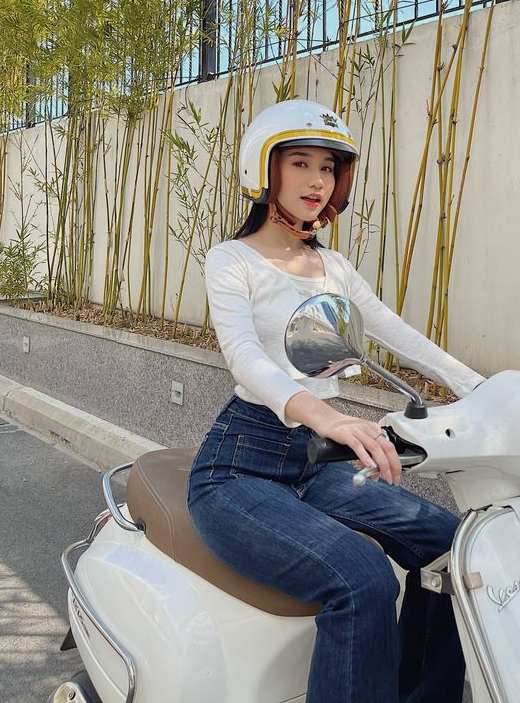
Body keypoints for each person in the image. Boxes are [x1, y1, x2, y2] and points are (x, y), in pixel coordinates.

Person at [187, 98, 485, 703]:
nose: (317, 181)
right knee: (362, 576)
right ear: (264, 171)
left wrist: (479, 387)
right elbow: (245, 357)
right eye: (300, 163)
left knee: (455, 545)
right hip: (240, 467)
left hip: (319, 463)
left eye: (328, 168)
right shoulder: (232, 260)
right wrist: (329, 416)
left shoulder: (335, 267)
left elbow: (393, 331)